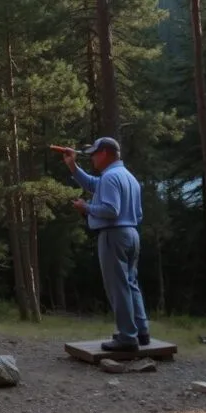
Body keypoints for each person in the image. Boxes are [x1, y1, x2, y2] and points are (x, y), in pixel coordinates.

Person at [61, 137, 150, 351]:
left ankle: (127, 337)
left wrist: (87, 207)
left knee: (117, 287)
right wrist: (73, 166)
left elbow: (111, 210)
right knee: (130, 284)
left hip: (113, 235)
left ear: (105, 153)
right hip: (131, 233)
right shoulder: (128, 177)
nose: (91, 157)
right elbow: (93, 185)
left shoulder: (110, 177)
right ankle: (141, 331)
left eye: (94, 153)